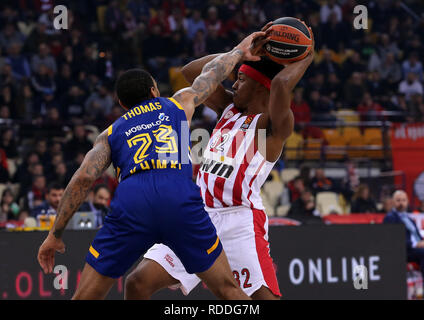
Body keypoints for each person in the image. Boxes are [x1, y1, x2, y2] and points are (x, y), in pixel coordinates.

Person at [37, 31, 270, 300]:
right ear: (154, 91)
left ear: (123, 105)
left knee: (85, 297)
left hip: (132, 203)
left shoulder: (110, 133)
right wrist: (240, 50)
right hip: (178, 198)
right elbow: (210, 74)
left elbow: (82, 179)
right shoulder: (178, 103)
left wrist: (55, 234)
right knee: (228, 289)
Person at [125, 22, 315, 300]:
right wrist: (240, 52)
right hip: (198, 215)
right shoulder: (228, 108)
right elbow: (191, 71)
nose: (234, 83)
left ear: (261, 89)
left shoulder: (270, 127)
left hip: (239, 220)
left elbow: (282, 84)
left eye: (241, 79)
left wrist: (308, 54)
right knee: (137, 282)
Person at [383, 190, 424, 278]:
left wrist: (421, 242)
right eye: (398, 200)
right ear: (393, 202)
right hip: (404, 250)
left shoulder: (408, 218)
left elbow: (417, 235)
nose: (401, 203)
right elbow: (393, 240)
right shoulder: (390, 218)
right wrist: (415, 244)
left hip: (416, 248)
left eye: (403, 200)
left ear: (407, 202)